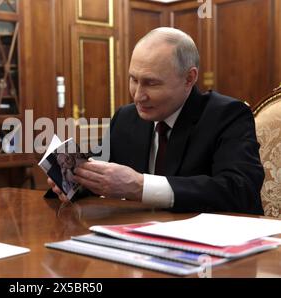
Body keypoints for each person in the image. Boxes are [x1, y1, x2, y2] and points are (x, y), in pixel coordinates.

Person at [48, 27, 264, 215]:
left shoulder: (228, 115)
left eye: (151, 83)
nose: (138, 96)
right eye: (133, 79)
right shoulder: (126, 117)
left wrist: (140, 186)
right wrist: (75, 184)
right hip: (136, 243)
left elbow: (240, 190)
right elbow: (105, 176)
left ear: (189, 78)